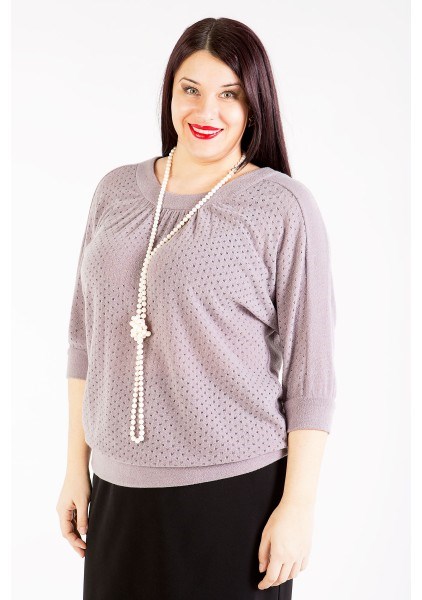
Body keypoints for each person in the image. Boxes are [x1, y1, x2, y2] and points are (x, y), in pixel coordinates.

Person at [56, 16, 337, 600]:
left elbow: (310, 374)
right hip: (116, 492)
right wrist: (74, 469)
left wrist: (298, 507)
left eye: (229, 94)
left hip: (235, 496)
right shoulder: (114, 191)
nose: (207, 111)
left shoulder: (281, 205)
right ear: (170, 92)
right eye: (192, 89)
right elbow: (84, 340)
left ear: (253, 105)